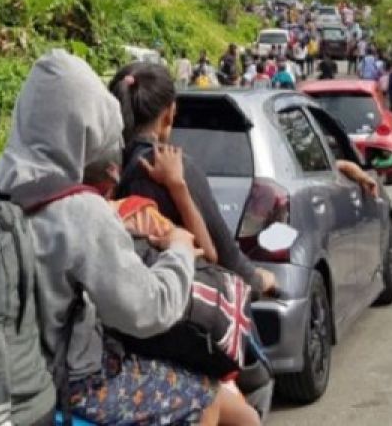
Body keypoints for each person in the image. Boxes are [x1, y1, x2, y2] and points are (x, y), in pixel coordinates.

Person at [0, 50, 257, 425]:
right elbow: (149, 308)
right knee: (209, 400)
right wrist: (180, 250)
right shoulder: (79, 207)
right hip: (71, 381)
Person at [108, 62, 275, 297]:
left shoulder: (102, 170)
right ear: (169, 113)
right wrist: (260, 280)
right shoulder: (174, 168)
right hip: (182, 312)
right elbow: (217, 257)